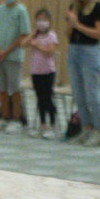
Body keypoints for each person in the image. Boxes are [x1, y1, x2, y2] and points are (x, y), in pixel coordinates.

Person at [65, 0, 100, 146]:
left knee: (92, 94)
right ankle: (86, 128)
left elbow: (99, 34)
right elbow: (68, 35)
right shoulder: (74, 7)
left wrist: (78, 25)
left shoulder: (98, 7)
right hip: (73, 49)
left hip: (90, 51)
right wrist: (70, 22)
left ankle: (98, 131)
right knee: (78, 94)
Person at [0, 0, 31, 134]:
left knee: (14, 89)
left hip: (13, 57)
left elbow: (23, 35)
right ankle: (3, 117)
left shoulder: (21, 10)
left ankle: (16, 119)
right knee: (1, 88)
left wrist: (6, 51)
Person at [22, 8, 59, 138]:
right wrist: (32, 35)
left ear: (49, 21)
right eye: (39, 20)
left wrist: (36, 45)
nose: (41, 22)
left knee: (47, 97)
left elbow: (49, 51)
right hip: (35, 71)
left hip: (48, 72)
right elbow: (23, 44)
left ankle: (53, 124)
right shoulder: (35, 35)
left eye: (44, 20)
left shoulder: (52, 35)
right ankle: (43, 125)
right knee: (39, 98)